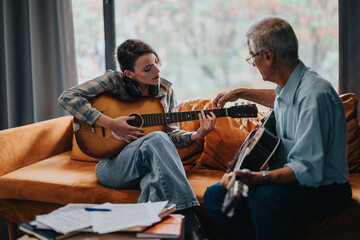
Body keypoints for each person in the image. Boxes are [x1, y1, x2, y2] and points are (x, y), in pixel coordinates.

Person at [203, 16, 352, 240]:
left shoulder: (314, 96)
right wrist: (241, 92)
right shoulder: (289, 86)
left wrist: (257, 177)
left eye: (252, 56)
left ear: (268, 56)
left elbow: (306, 170)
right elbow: (279, 98)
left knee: (264, 196)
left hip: (325, 188)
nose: (253, 63)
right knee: (214, 196)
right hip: (299, 183)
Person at [58, 39, 216, 240]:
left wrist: (197, 135)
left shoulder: (165, 91)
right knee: (156, 139)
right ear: (129, 74)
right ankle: (191, 221)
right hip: (112, 166)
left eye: (156, 63)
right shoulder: (113, 81)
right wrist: (111, 124)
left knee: (154, 180)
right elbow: (67, 97)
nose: (156, 71)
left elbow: (169, 136)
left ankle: (155, 234)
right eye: (147, 68)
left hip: (148, 166)